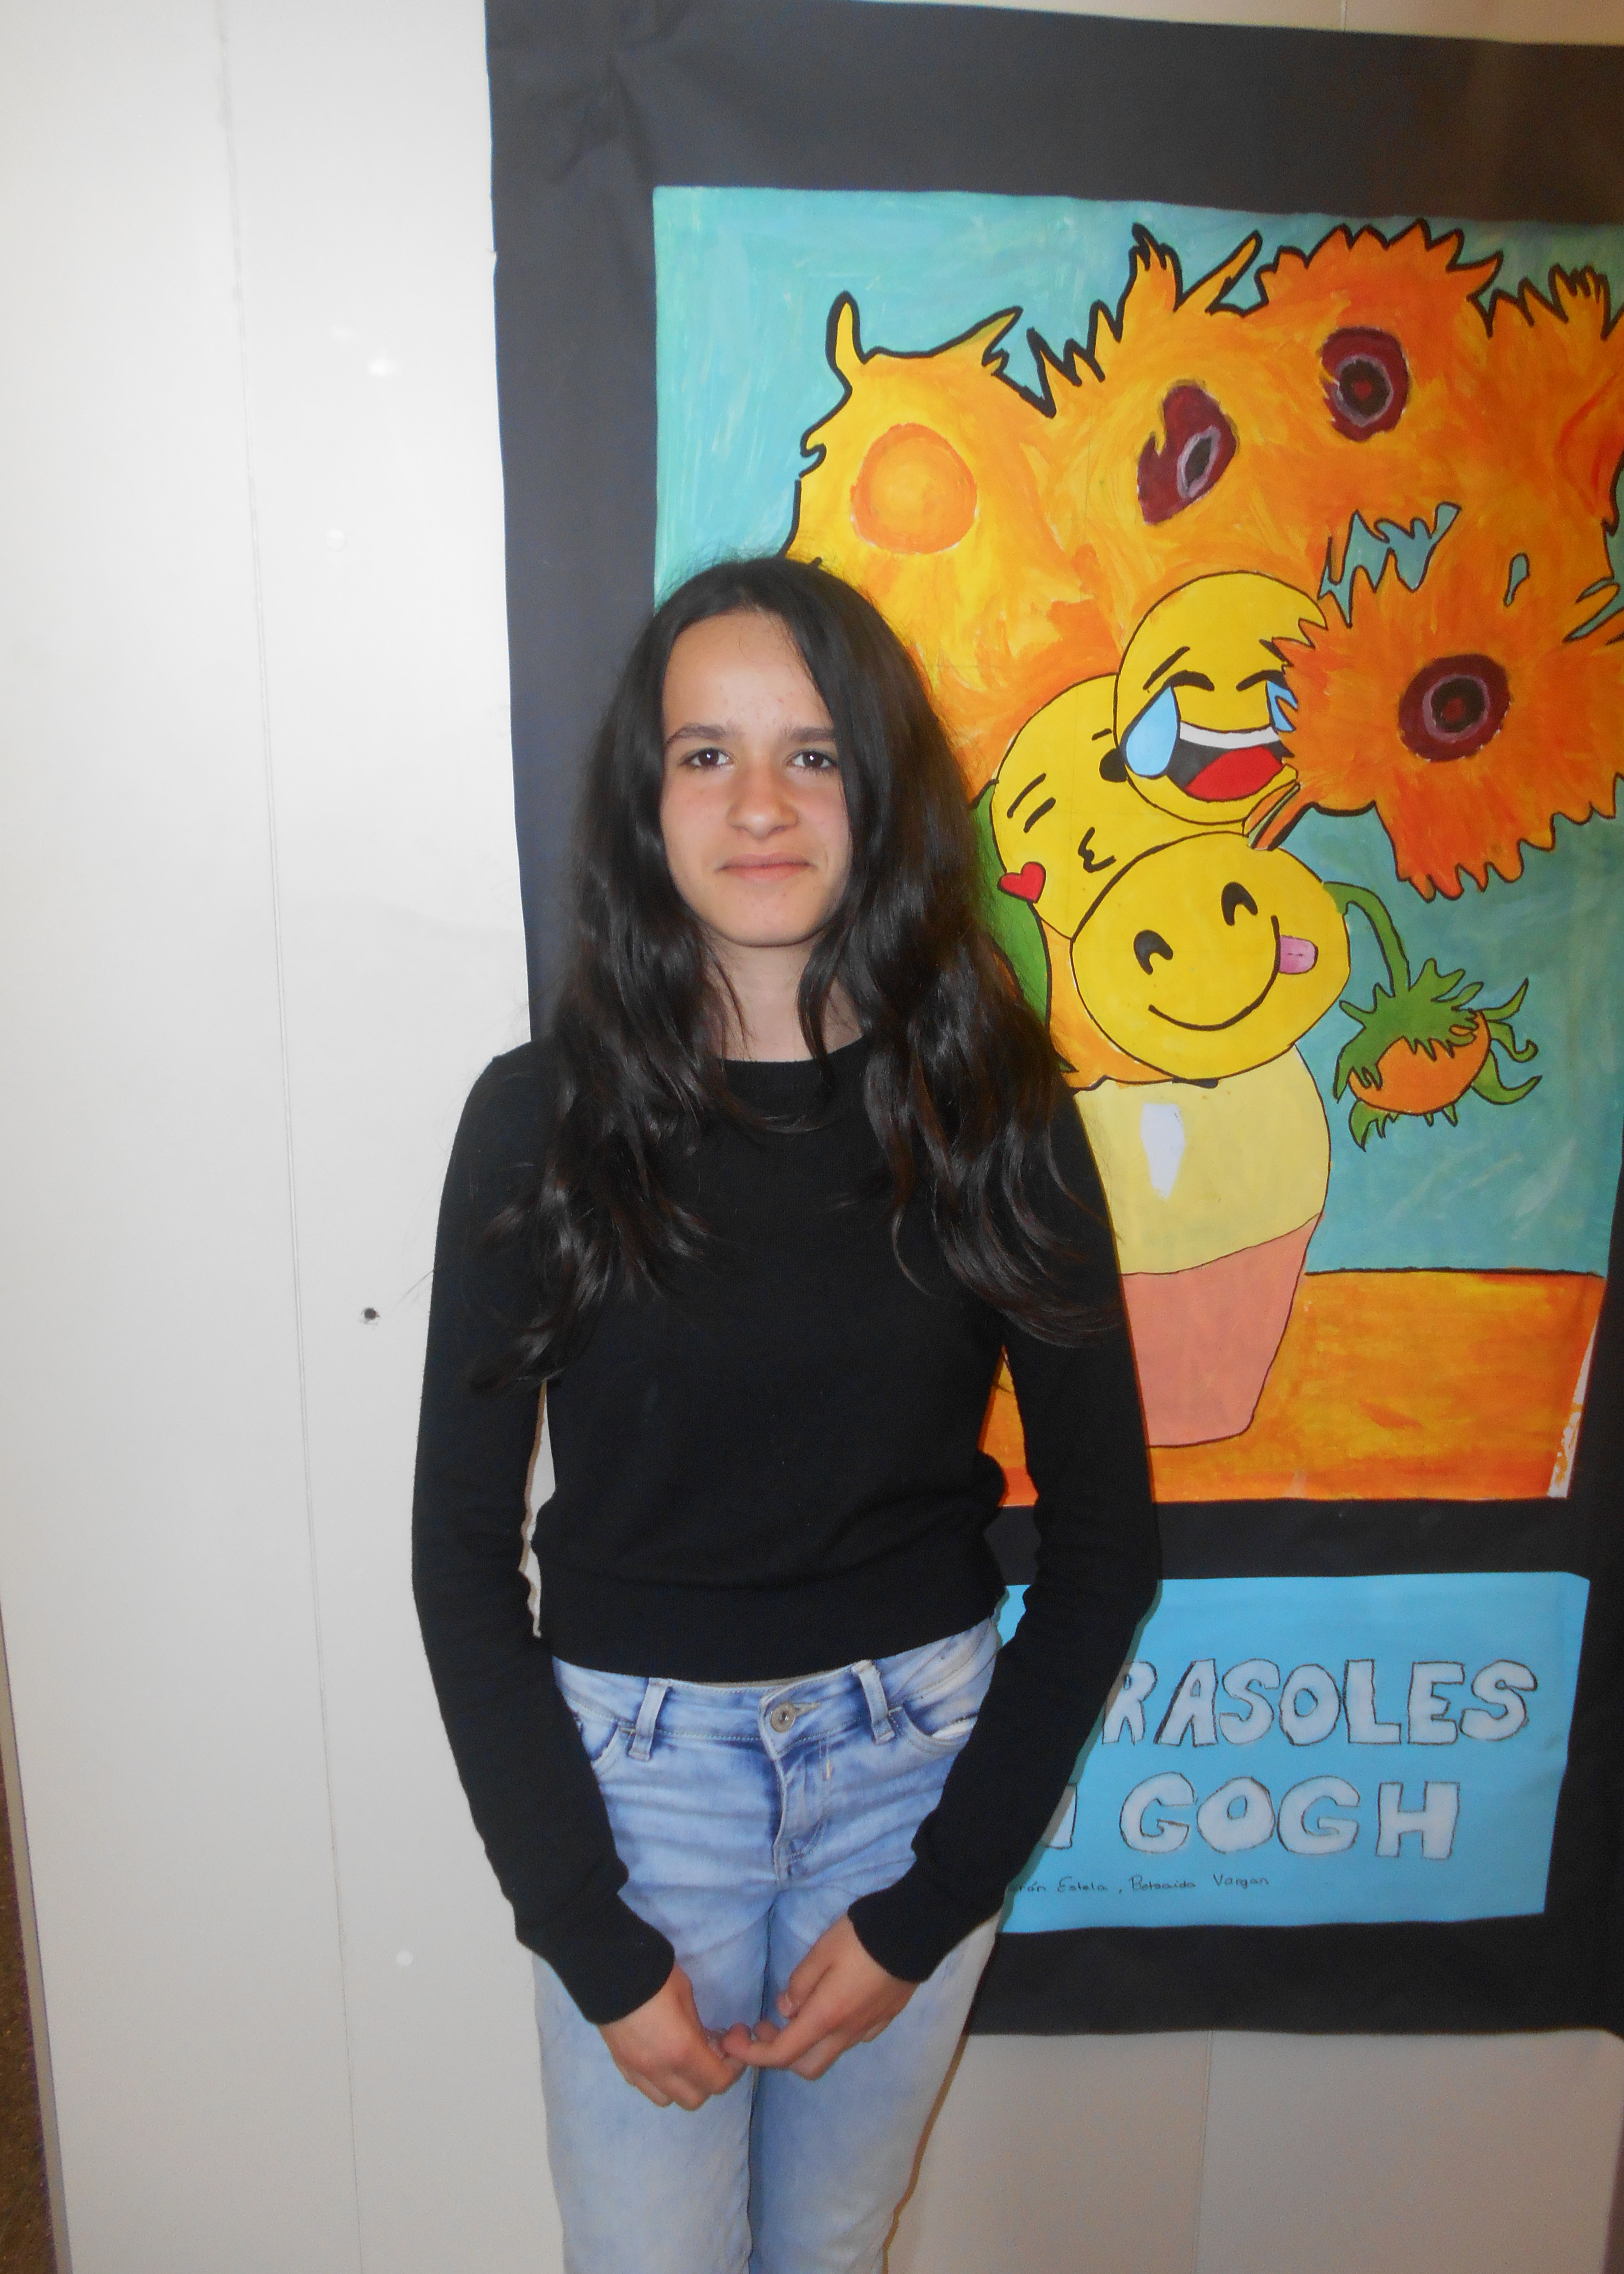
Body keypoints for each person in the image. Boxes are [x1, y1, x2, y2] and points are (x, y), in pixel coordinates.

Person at [412, 556, 1158, 2274]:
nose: (761, 803)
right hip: (634, 1798)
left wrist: (930, 1903)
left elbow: (1108, 1549)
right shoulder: (538, 1120)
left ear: (879, 790)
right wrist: (586, 1928)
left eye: (811, 753)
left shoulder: (994, 1109)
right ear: (645, 800)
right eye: (709, 754)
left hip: (913, 1777)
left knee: (831, 2246)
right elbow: (457, 1557)